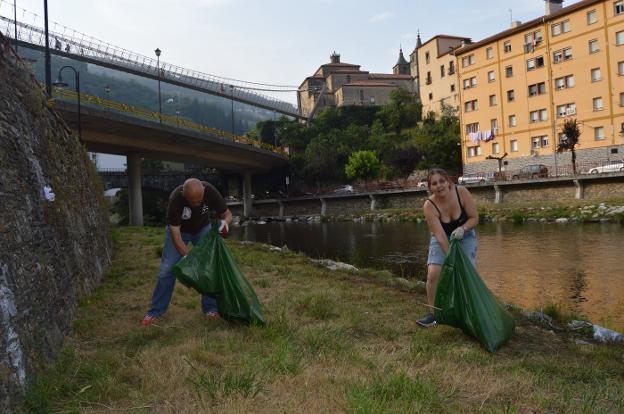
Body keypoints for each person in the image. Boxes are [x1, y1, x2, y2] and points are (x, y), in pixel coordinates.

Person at [141, 178, 233, 326]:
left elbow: (227, 214)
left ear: (203, 190)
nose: (196, 204)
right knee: (167, 270)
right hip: (180, 232)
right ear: (184, 194)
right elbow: (176, 235)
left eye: (199, 201)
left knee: (210, 266)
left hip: (202, 229)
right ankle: (155, 312)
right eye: (192, 201)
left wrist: (225, 223)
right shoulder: (176, 199)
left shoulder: (210, 191)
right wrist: (190, 258)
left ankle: (211, 309)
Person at [417, 168, 479, 327]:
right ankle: (434, 314)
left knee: (467, 272)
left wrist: (462, 229)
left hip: (464, 235)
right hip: (441, 238)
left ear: (448, 181)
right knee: (433, 274)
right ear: (430, 187)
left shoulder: (462, 192)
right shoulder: (429, 205)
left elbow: (474, 218)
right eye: (434, 183)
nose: (439, 186)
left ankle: (468, 312)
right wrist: (453, 259)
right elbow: (440, 236)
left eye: (441, 181)